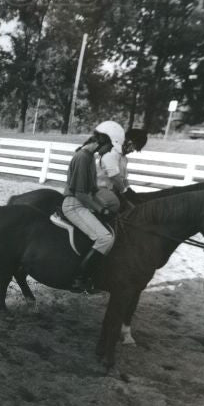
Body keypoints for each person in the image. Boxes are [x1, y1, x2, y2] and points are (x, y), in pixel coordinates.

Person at [61, 120, 125, 292]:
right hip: (74, 205)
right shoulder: (82, 158)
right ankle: (79, 278)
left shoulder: (90, 157)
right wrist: (100, 209)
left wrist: (106, 207)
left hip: (83, 202)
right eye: (110, 145)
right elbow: (81, 194)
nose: (110, 150)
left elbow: (93, 189)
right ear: (103, 140)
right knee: (105, 238)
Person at [95, 127, 148, 213]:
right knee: (124, 208)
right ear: (129, 141)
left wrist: (129, 189)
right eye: (134, 147)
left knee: (135, 207)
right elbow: (114, 177)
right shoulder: (111, 154)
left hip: (114, 190)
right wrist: (125, 192)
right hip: (99, 189)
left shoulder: (124, 158)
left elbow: (123, 179)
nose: (133, 151)